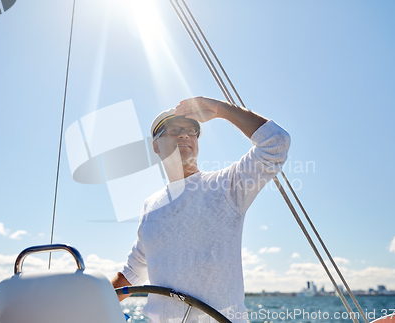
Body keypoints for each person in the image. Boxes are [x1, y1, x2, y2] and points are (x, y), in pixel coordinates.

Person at [111, 97, 291, 322]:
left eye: (192, 131)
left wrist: (221, 110)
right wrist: (91, 303)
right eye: (174, 130)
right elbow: (132, 272)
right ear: (156, 146)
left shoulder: (226, 186)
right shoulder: (151, 206)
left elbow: (276, 142)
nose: (185, 135)